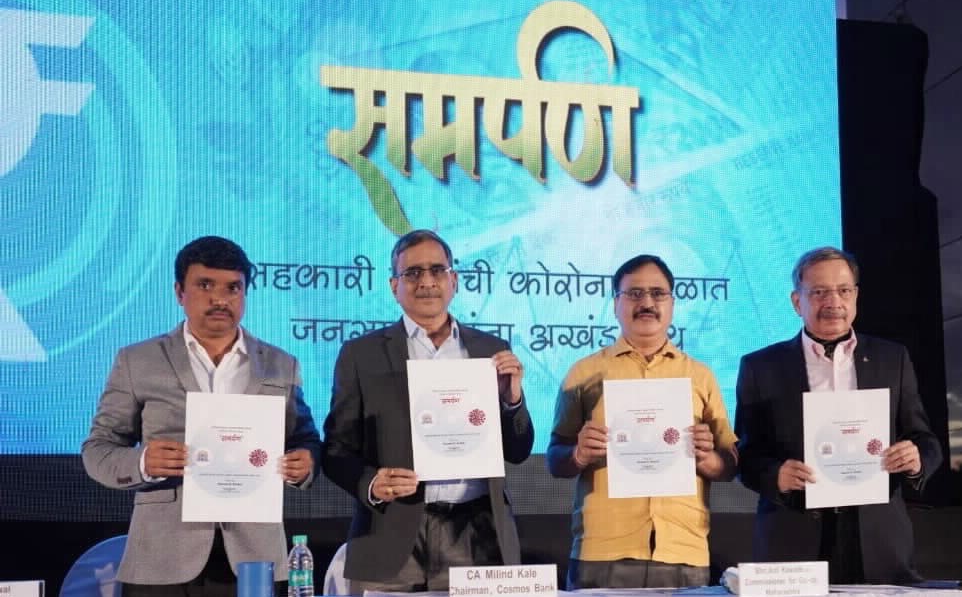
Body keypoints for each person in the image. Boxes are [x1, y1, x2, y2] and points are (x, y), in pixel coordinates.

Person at [82, 236, 321, 597]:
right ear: (179, 292)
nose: (220, 299)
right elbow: (98, 449)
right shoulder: (137, 361)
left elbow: (305, 439)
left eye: (233, 288)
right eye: (205, 285)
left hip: (255, 558)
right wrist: (143, 462)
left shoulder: (281, 364)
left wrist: (306, 463)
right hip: (162, 559)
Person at [321, 229, 533, 592]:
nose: (426, 282)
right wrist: (371, 483)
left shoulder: (491, 349)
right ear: (394, 286)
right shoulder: (361, 354)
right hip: (389, 531)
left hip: (477, 536)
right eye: (413, 273)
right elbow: (336, 450)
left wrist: (511, 400)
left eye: (437, 270)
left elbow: (517, 451)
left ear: (454, 281)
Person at [735, 246, 942, 584]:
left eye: (843, 290)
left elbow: (925, 440)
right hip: (793, 537)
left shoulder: (892, 358)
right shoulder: (761, 367)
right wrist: (775, 475)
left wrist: (916, 458)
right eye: (819, 292)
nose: (833, 302)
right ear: (797, 302)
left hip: (877, 540)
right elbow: (746, 454)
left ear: (855, 296)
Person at [547, 254, 737, 589]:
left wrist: (707, 458)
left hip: (683, 548)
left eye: (658, 293)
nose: (647, 303)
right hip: (602, 550)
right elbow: (555, 458)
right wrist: (578, 455)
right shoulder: (584, 373)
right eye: (634, 294)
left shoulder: (701, 376)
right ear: (615, 304)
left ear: (672, 304)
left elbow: (730, 465)